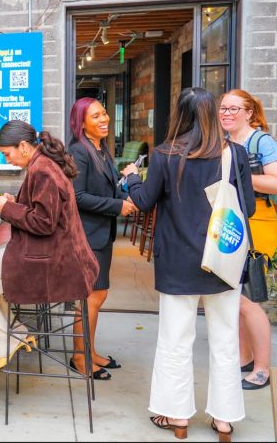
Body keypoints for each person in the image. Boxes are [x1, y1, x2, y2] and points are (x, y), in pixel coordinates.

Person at [121, 87, 255, 440]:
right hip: (223, 262)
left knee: (174, 340)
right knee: (225, 340)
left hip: (178, 262)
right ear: (211, 113)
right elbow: (248, 209)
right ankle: (224, 420)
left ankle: (176, 417)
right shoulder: (234, 154)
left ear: (179, 113)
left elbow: (145, 201)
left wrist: (132, 177)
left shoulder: (166, 155)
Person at [0, 120, 99, 374]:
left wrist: (7, 208)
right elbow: (44, 211)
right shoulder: (43, 164)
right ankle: (16, 333)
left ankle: (4, 343)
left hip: (53, 263)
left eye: (6, 153)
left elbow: (44, 223)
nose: (7, 160)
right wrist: (14, 202)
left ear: (23, 146)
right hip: (55, 255)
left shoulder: (42, 170)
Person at [68, 98, 136, 380]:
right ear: (81, 123)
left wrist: (125, 197)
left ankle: (90, 351)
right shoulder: (78, 152)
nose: (104, 119)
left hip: (100, 234)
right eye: (95, 116)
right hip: (87, 236)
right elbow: (77, 197)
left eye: (104, 113)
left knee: (98, 295)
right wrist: (117, 207)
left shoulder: (101, 150)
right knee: (89, 299)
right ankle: (80, 358)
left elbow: (107, 190)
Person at [218, 89, 277, 390]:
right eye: (223, 108)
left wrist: (239, 174)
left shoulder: (260, 141)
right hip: (234, 224)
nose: (227, 114)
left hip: (259, 225)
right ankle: (244, 358)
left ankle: (262, 369)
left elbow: (276, 182)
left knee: (246, 299)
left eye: (234, 109)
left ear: (250, 112)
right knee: (235, 297)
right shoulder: (225, 142)